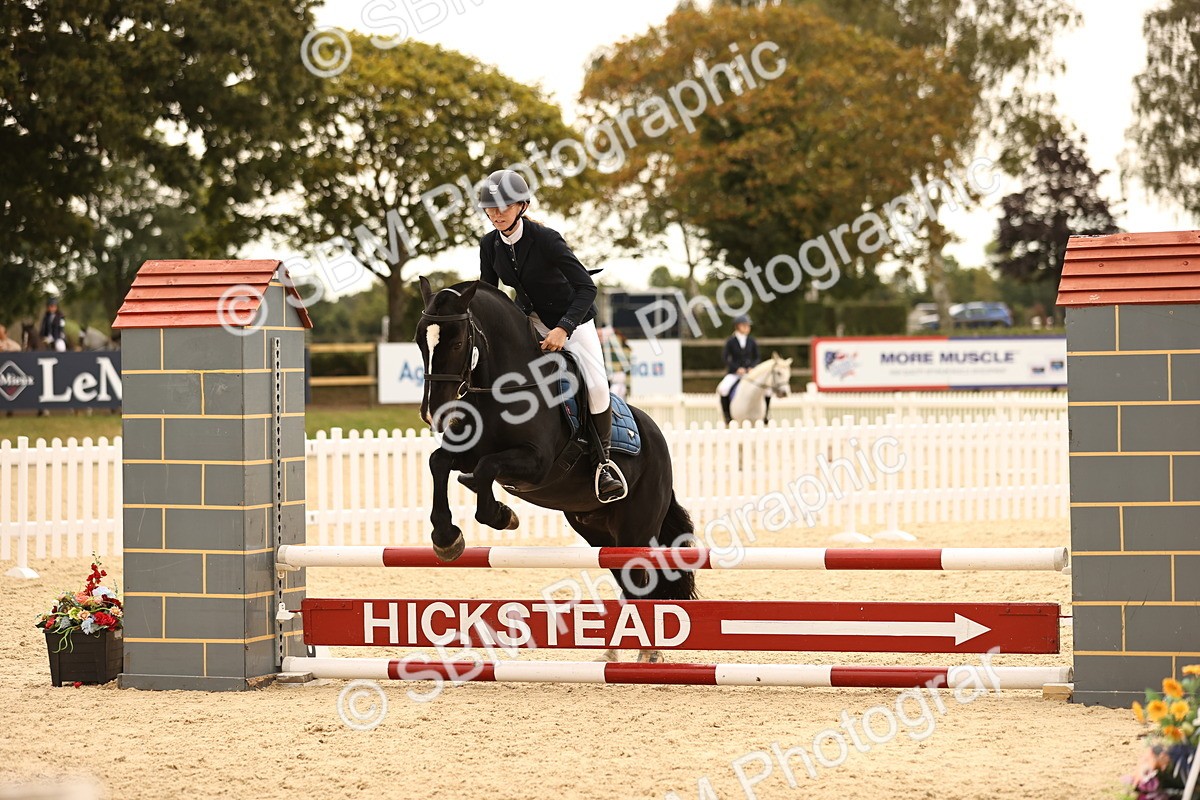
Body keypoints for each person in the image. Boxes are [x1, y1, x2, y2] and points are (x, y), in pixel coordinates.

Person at [477, 169, 627, 503]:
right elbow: (490, 295)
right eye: (490, 207)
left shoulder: (546, 239)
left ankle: (603, 465)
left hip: (573, 319)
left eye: (504, 206)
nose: (496, 213)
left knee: (597, 386)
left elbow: (586, 287)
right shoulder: (489, 245)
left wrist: (563, 328)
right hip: (529, 320)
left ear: (522, 206)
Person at [717, 314, 760, 424]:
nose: (747, 328)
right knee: (723, 388)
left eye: (748, 326)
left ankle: (766, 414)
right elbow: (725, 358)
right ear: (738, 326)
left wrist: (752, 367)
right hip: (735, 373)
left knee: (766, 389)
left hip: (750, 373)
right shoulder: (731, 341)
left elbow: (757, 357)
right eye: (744, 325)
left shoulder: (751, 341)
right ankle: (727, 416)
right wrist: (736, 368)